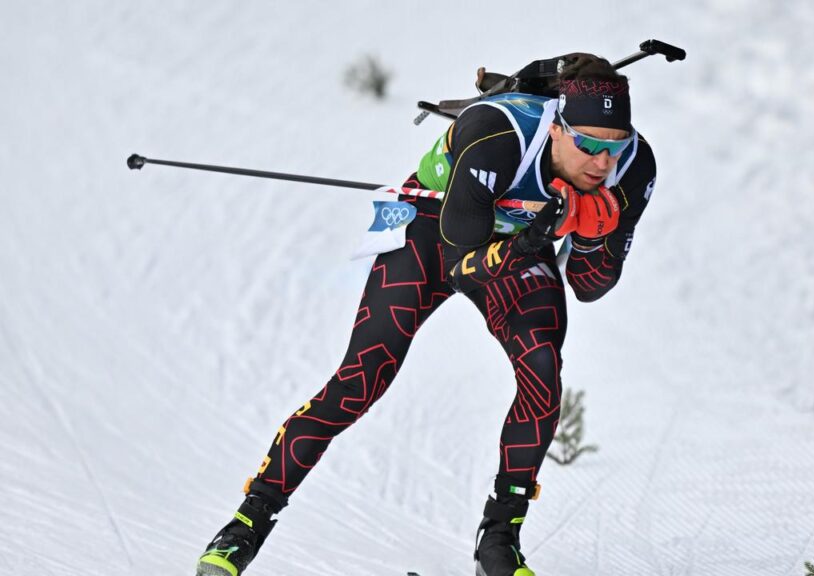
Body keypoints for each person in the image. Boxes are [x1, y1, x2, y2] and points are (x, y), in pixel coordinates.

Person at [196, 52, 657, 576]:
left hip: (515, 248)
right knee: (361, 379)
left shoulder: (633, 168)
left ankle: (499, 540)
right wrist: (536, 233)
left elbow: (590, 286)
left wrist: (596, 231)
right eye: (589, 146)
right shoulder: (495, 134)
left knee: (543, 373)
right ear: (556, 127)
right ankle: (246, 524)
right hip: (430, 230)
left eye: (613, 148)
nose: (602, 163)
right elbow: (460, 262)